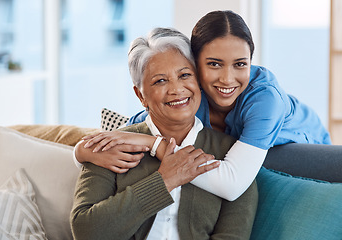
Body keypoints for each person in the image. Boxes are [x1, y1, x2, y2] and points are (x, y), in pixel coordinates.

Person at [80, 10, 331, 199]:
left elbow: (231, 185)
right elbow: (128, 131)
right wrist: (80, 152)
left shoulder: (264, 99)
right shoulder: (190, 95)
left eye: (240, 64)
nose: (227, 78)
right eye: (214, 64)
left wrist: (153, 145)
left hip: (305, 154)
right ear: (195, 65)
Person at [71, 27, 258, 240]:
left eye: (185, 75)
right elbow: (85, 231)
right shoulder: (112, 145)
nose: (177, 90)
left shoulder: (231, 156)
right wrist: (164, 180)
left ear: (198, 80)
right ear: (140, 95)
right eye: (160, 81)